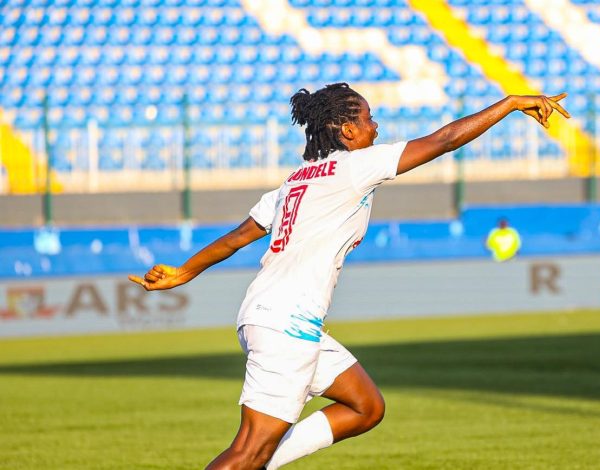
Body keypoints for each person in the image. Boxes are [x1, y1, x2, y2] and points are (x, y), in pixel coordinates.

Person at [129, 83, 569, 469]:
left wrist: (185, 271)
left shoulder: (295, 181)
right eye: (369, 118)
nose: (375, 126)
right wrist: (510, 103)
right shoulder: (355, 167)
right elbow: (446, 139)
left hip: (275, 316)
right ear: (347, 130)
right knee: (247, 450)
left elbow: (236, 238)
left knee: (365, 406)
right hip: (286, 323)